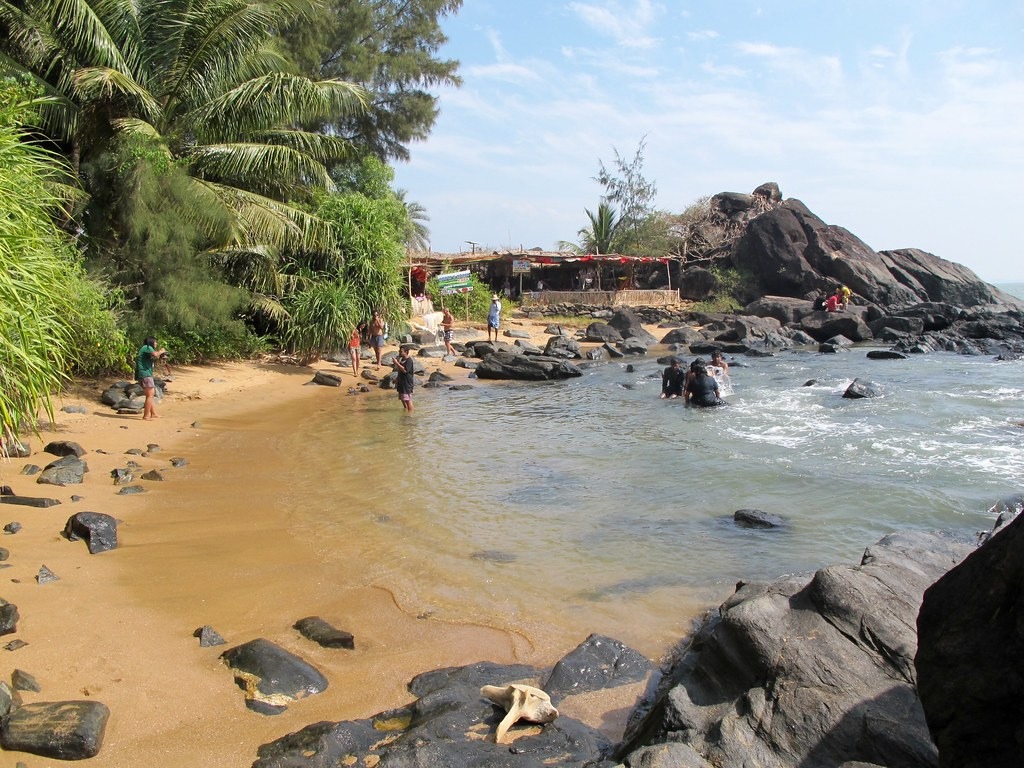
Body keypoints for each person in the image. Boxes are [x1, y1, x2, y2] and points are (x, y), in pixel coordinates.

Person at [136, 336, 167, 420]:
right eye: (155, 342)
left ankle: (153, 413)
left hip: (145, 374)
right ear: (151, 342)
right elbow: (155, 354)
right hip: (145, 374)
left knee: (150, 394)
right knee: (150, 394)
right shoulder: (147, 347)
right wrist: (161, 351)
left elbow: (153, 357)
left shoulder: (146, 349)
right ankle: (146, 416)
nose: (156, 343)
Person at [392, 345, 415, 413]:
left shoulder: (409, 361)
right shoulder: (402, 360)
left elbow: (405, 370)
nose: (399, 352)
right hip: (401, 383)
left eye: (401, 351)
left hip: (407, 384)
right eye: (399, 351)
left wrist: (396, 363)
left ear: (406, 352)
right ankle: (406, 412)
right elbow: (400, 371)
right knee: (403, 399)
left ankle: (410, 414)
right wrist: (396, 379)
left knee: (408, 400)